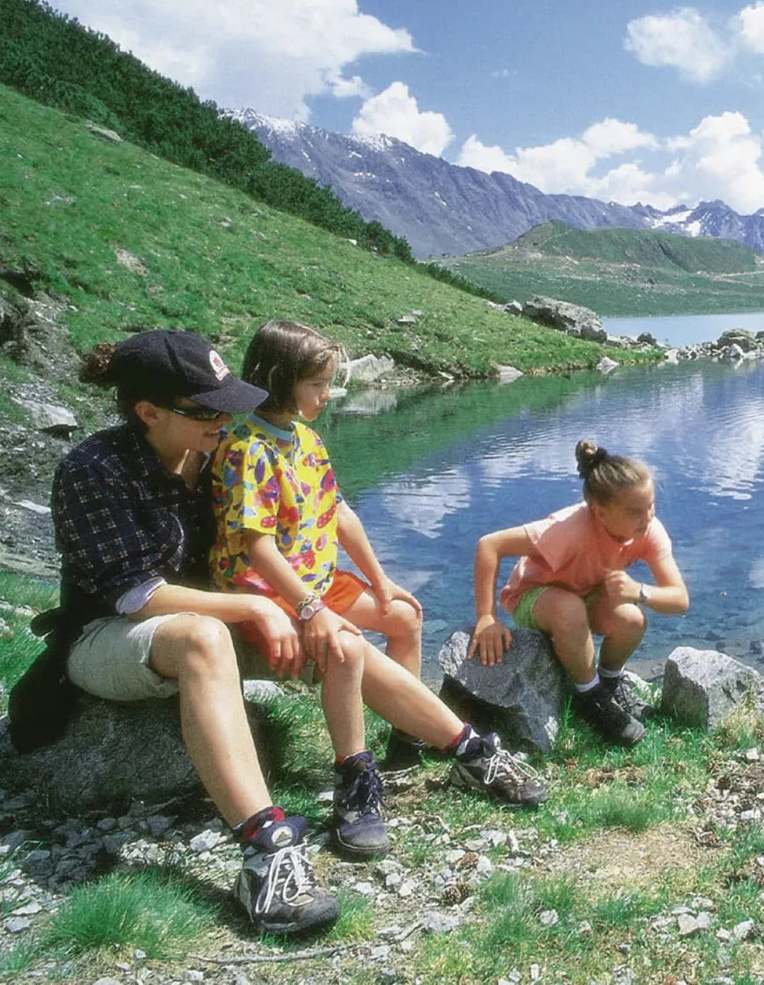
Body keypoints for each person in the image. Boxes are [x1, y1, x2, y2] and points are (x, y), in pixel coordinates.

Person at [46, 329, 341, 935]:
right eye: (206, 410)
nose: (225, 419)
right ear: (147, 412)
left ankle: (465, 746)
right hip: (105, 634)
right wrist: (251, 609)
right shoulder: (92, 470)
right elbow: (134, 596)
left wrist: (307, 607)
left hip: (207, 617)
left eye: (226, 403)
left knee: (340, 644)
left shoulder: (212, 452)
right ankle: (266, 848)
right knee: (203, 635)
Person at [208, 320, 548, 845]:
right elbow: (257, 547)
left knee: (404, 617)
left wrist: (381, 581)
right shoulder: (247, 448)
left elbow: (339, 512)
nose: (328, 394)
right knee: (345, 651)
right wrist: (308, 608)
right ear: (279, 379)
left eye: (328, 382)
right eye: (317, 384)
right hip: (267, 591)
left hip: (315, 578)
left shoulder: (305, 438)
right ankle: (354, 777)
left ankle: (407, 740)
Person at [471, 441, 689, 745]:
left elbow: (679, 600)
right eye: (636, 511)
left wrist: (639, 591)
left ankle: (610, 684)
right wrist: (486, 617)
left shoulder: (647, 530)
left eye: (651, 505)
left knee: (632, 619)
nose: (648, 516)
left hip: (584, 594)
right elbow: (489, 545)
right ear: (600, 513)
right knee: (569, 608)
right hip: (534, 597)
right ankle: (590, 698)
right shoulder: (566, 531)